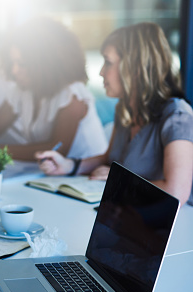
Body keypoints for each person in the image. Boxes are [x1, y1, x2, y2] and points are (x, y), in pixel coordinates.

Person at [37, 22, 193, 206]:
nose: (101, 72)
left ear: (135, 68)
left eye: (108, 62)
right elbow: (108, 159)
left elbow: (176, 193)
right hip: (129, 214)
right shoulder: (124, 109)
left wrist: (118, 183)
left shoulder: (177, 116)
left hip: (171, 225)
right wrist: (68, 165)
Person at [0, 17, 107, 161]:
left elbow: (57, 149)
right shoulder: (21, 90)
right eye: (12, 62)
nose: (14, 70)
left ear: (45, 65)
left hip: (85, 178)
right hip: (50, 175)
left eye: (22, 64)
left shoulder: (72, 93)